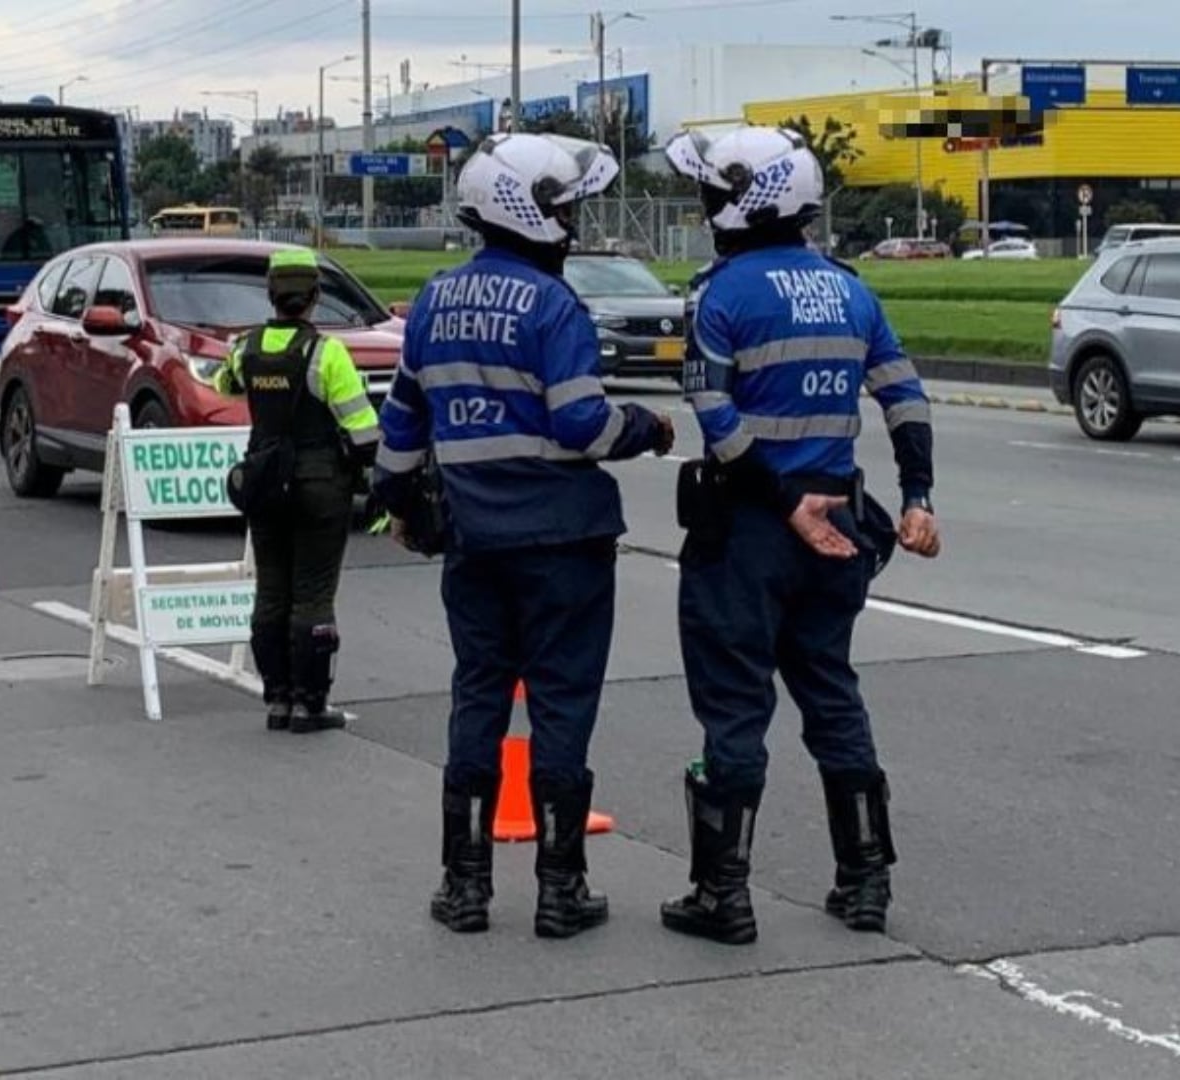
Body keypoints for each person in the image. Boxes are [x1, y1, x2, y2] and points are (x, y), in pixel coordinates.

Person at [371, 134, 675, 938]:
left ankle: (464, 886)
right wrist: (645, 426)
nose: (572, 223)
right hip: (563, 543)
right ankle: (559, 889)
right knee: (561, 705)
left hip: (474, 542)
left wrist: (398, 503)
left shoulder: (433, 301)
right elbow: (581, 422)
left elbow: (401, 426)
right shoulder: (552, 304)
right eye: (565, 208)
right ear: (530, 212)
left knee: (478, 696)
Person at [659, 125, 941, 947]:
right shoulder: (851, 292)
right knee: (831, 693)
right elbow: (905, 397)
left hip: (751, 529)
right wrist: (918, 495)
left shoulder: (720, 296)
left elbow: (715, 415)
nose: (704, 206)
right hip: (841, 525)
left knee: (735, 709)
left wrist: (783, 502)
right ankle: (866, 882)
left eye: (711, 193)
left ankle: (723, 895)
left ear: (743, 204)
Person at [215, 248, 380, 735]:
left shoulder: (245, 348)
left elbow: (226, 384)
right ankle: (311, 705)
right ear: (315, 296)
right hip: (319, 485)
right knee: (312, 594)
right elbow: (364, 432)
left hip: (265, 485)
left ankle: (278, 700)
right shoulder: (326, 353)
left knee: (271, 590)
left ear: (270, 293)